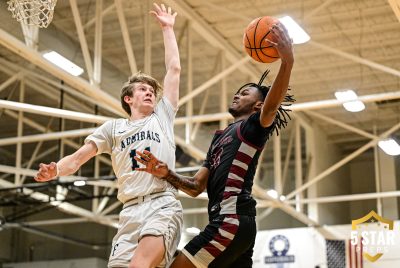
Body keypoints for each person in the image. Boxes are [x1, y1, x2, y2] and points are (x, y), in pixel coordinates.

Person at [134, 22, 295, 268]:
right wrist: (166, 173)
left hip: (230, 221)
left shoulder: (252, 128)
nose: (237, 94)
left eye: (246, 93)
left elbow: (272, 105)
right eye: (239, 91)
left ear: (258, 106)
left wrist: (287, 61)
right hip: (233, 224)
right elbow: (196, 187)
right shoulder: (220, 138)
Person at [34, 3, 182, 268]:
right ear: (128, 98)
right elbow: (78, 159)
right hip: (129, 211)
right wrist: (55, 170)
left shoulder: (162, 116)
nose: (149, 92)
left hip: (161, 203)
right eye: (142, 89)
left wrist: (168, 29)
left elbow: (173, 70)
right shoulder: (112, 129)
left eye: (151, 90)